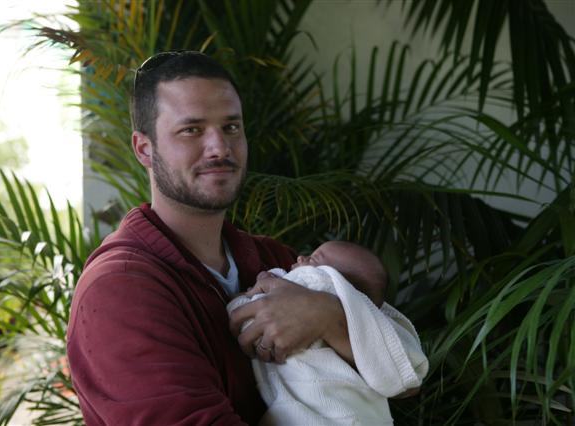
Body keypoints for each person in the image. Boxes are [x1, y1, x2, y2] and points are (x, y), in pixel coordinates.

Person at [66, 50, 420, 425]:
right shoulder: (119, 289)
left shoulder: (274, 259)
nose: (220, 147)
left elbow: (404, 374)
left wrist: (327, 317)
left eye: (232, 127)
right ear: (144, 149)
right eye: (192, 130)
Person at [227, 241, 429, 425]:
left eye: (313, 259)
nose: (299, 259)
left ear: (338, 283)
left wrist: (243, 300)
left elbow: (252, 320)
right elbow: (403, 371)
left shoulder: (312, 281)